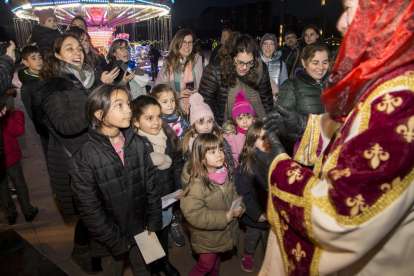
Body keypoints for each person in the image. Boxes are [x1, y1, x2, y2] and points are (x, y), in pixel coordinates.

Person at [257, 0, 414, 275]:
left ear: (385, 14)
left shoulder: (402, 100)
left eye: (350, 8)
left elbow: (339, 214)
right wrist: (307, 126)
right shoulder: (393, 82)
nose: (341, 23)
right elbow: (357, 137)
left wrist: (277, 168)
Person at [69, 84, 162, 276]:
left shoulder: (137, 144)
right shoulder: (84, 158)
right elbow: (90, 210)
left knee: (144, 269)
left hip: (141, 229)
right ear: (100, 115)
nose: (128, 109)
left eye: (128, 103)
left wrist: (153, 222)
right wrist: (115, 240)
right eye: (119, 105)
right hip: (110, 238)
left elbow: (152, 186)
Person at [32, 33, 100, 274]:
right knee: (88, 212)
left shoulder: (85, 80)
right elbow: (64, 124)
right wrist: (96, 106)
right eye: (69, 48)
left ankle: (93, 249)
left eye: (79, 48)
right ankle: (81, 251)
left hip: (91, 155)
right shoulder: (53, 87)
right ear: (57, 55)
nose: (78, 52)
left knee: (94, 210)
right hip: (72, 160)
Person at [131, 96, 182, 276]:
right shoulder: (134, 144)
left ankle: (164, 262)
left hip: (166, 196)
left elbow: (176, 164)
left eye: (159, 116)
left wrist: (178, 189)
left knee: (162, 229)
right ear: (136, 122)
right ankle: (153, 266)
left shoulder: (167, 135)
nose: (156, 122)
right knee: (150, 233)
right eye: (149, 118)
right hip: (146, 202)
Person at [180, 133, 245, 276]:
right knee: (205, 265)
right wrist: (222, 218)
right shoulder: (196, 183)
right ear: (201, 158)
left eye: (220, 149)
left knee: (216, 260)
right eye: (212, 152)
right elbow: (193, 213)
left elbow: (233, 191)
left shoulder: (224, 172)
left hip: (222, 233)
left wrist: (240, 206)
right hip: (207, 237)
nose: (219, 155)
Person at [199, 32, 273, 127]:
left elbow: (267, 101)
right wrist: (217, 126)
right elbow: (205, 101)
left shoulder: (261, 68)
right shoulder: (214, 69)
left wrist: (265, 127)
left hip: (254, 127)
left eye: (249, 62)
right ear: (231, 57)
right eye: (240, 62)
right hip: (224, 126)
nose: (245, 67)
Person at [150, 84, 188, 249]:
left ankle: (174, 226)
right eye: (164, 101)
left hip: (180, 164)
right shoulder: (154, 124)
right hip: (163, 167)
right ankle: (163, 228)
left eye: (172, 100)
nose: (170, 104)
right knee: (165, 198)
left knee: (178, 196)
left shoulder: (182, 120)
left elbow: (187, 141)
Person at [235, 121, 271, 273]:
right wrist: (257, 214)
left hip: (272, 213)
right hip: (254, 215)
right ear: (251, 142)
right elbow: (244, 195)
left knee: (269, 241)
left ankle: (269, 259)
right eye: (262, 138)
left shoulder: (275, 159)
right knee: (252, 237)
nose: (268, 141)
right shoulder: (246, 166)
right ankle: (248, 255)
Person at [0, 96, 39, 225]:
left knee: (2, 187)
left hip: (5, 155)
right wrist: (15, 112)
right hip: (8, 154)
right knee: (19, 183)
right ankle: (28, 211)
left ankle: (10, 214)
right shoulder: (3, 114)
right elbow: (18, 130)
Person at [182, 93, 235, 175]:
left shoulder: (218, 136)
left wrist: (229, 173)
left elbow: (228, 158)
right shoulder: (189, 141)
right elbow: (188, 164)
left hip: (221, 174)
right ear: (193, 125)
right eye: (201, 123)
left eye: (209, 121)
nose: (206, 126)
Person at [156, 29, 206, 114]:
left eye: (190, 42)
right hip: (175, 111)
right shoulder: (168, 63)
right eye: (184, 42)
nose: (187, 45)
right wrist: (178, 95)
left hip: (197, 111)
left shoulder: (200, 61)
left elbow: (209, 88)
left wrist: (198, 92)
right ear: (177, 43)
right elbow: (159, 90)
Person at [276, 43, 331, 115]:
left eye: (325, 62)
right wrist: (301, 122)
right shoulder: (290, 87)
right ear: (304, 63)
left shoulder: (335, 85)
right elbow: (281, 120)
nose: (321, 67)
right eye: (315, 63)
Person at [18, 45, 49, 156]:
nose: (38, 61)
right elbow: (32, 113)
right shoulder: (27, 87)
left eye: (40, 57)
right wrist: (44, 128)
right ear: (26, 62)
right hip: (46, 129)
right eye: (33, 58)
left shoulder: (47, 76)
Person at [222, 91, 255, 167]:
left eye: (248, 117)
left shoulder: (259, 133)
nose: (245, 121)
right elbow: (227, 158)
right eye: (240, 118)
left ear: (253, 117)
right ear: (235, 121)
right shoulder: (229, 136)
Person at [260, 33, 288, 98]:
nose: (268, 47)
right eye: (265, 44)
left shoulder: (281, 63)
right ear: (261, 46)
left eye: (271, 44)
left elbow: (284, 87)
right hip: (258, 104)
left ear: (275, 47)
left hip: (275, 103)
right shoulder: (255, 63)